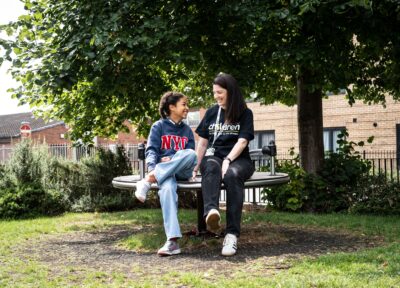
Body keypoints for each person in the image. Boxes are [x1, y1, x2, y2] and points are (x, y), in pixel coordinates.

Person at [193, 73, 255, 256]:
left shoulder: (245, 113)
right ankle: (211, 212)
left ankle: (231, 235)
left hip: (240, 159)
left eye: (219, 92)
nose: (216, 96)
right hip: (215, 157)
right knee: (210, 166)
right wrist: (195, 166)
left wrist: (228, 160)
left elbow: (242, 141)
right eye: (214, 93)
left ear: (231, 91)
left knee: (232, 175)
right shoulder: (212, 112)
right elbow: (203, 143)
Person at [135, 91, 197, 256]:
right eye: (183, 104)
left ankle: (148, 180)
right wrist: (152, 167)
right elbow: (152, 150)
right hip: (166, 174)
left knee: (191, 154)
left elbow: (189, 156)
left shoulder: (187, 131)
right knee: (167, 189)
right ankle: (172, 242)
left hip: (181, 171)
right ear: (171, 107)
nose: (187, 108)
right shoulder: (159, 126)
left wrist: (171, 159)